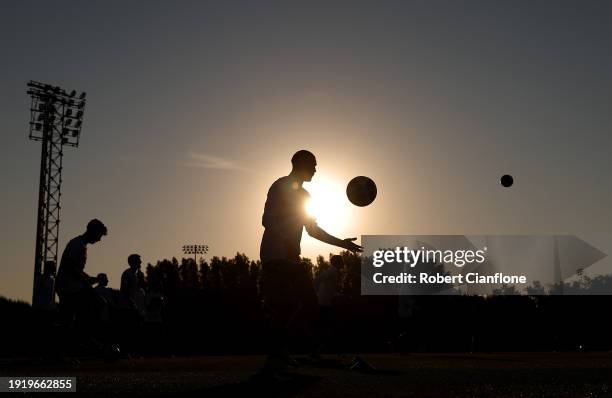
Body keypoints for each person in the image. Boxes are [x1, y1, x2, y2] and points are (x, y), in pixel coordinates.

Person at [258, 150, 362, 376]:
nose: (316, 169)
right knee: (289, 305)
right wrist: (284, 242)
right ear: (300, 164)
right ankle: (276, 353)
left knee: (306, 305)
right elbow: (267, 219)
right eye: (313, 164)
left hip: (290, 257)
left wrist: (342, 243)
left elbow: (312, 230)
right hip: (276, 255)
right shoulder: (280, 186)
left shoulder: (305, 196)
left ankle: (279, 351)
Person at [55, 219, 108, 327]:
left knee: (69, 318)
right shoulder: (77, 244)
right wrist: (86, 283)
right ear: (93, 231)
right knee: (98, 303)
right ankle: (86, 336)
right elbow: (69, 266)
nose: (99, 239)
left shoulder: (80, 245)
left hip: (70, 287)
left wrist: (92, 279)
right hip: (69, 288)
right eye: (99, 235)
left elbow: (75, 269)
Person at [312, 255, 344, 358]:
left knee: (327, 327)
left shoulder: (333, 271)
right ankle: (316, 352)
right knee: (328, 328)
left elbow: (328, 288)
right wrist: (317, 294)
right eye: (341, 261)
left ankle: (316, 352)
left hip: (325, 303)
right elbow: (317, 280)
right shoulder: (332, 271)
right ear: (337, 262)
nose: (343, 263)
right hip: (324, 304)